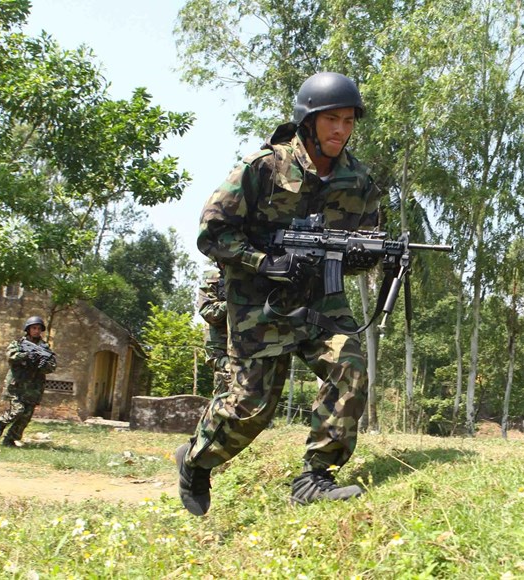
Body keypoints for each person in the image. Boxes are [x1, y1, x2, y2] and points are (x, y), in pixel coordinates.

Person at [175, 72, 381, 516]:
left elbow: (362, 247)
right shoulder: (262, 168)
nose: (340, 130)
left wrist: (363, 255)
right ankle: (195, 461)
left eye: (348, 121)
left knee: (350, 366)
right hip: (258, 303)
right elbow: (212, 233)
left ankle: (315, 476)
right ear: (308, 121)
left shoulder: (359, 180)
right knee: (252, 407)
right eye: (331, 120)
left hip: (319, 298)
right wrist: (264, 261)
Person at [0, 316, 57, 447]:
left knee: (26, 416)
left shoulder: (45, 348)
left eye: (39, 329)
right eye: (34, 328)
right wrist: (26, 356)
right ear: (28, 329)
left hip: (33, 388)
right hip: (16, 385)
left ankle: (10, 439)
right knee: (18, 410)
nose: (36, 331)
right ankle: (2, 422)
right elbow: (10, 356)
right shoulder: (18, 344)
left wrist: (41, 364)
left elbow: (52, 367)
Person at [197, 265, 231, 396]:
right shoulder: (213, 278)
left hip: (247, 345)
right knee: (228, 379)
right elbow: (209, 313)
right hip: (220, 347)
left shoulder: (251, 276)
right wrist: (234, 301)